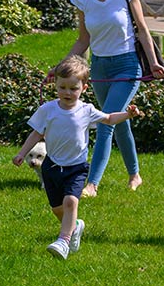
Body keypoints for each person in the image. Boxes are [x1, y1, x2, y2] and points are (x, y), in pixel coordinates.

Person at [50, 0, 164, 197]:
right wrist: (60, 67)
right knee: (120, 122)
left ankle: (91, 184)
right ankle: (135, 175)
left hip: (127, 65)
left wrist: (153, 63)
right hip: (100, 68)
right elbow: (84, 40)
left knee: (105, 122)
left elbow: (143, 32)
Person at [13, 55, 141, 259]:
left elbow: (108, 119)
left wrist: (127, 114)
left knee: (71, 201)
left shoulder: (86, 110)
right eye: (62, 87)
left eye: (73, 88)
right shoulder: (48, 109)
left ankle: (63, 241)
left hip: (76, 167)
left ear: (84, 88)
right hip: (52, 166)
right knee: (57, 209)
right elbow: (36, 133)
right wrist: (21, 153)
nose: (67, 92)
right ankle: (75, 226)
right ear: (55, 84)